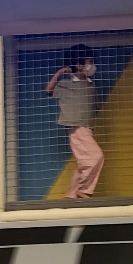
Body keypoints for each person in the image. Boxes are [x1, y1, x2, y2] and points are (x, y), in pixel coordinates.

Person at [45, 45, 103, 199]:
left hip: (87, 126)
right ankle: (84, 189)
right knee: (96, 157)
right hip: (77, 127)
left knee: (83, 163)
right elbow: (49, 90)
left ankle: (71, 195)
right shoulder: (67, 84)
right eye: (89, 62)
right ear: (79, 65)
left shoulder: (90, 84)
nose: (92, 65)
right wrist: (59, 73)